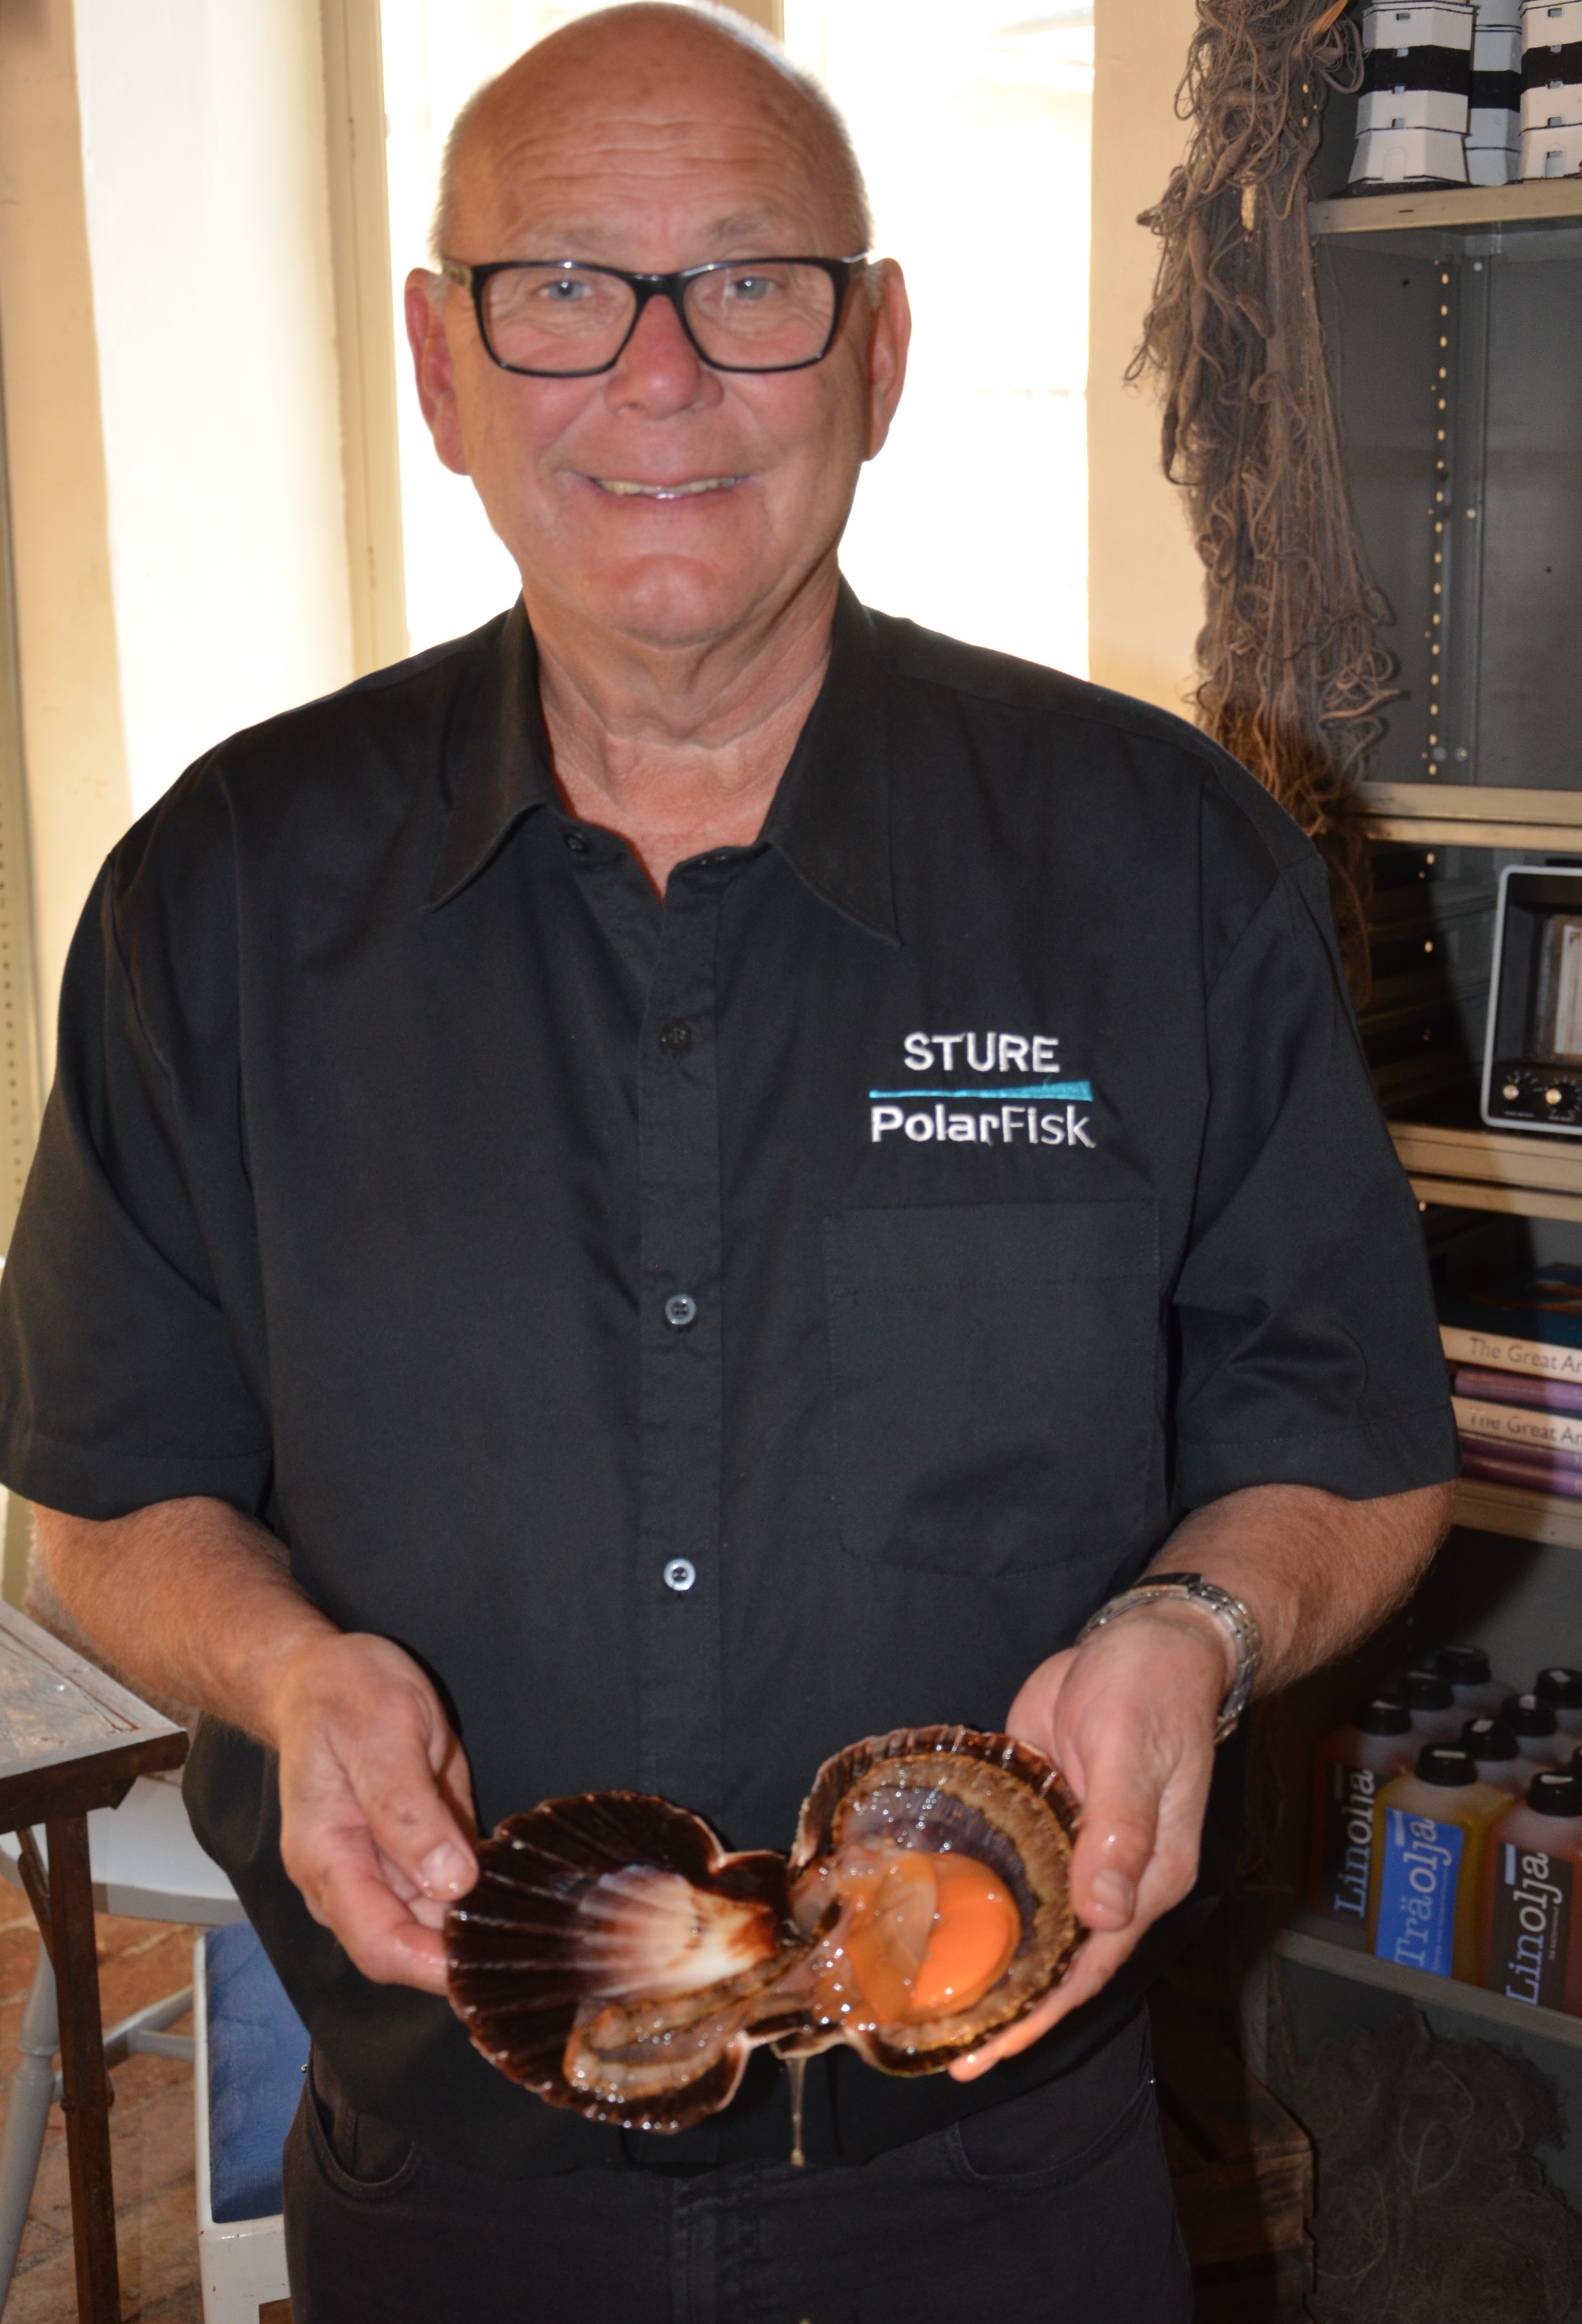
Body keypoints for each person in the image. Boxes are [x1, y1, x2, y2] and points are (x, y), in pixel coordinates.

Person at [0, 7, 1456, 2318]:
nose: (660, 375)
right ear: (440, 366)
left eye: (752, 283)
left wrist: (1197, 1627)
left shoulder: (1165, 860)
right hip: (450, 2187)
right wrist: (283, 1668)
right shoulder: (223, 894)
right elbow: (101, 1495)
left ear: (878, 352)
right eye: (565, 285)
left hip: (1004, 2181)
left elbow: (1353, 1436)